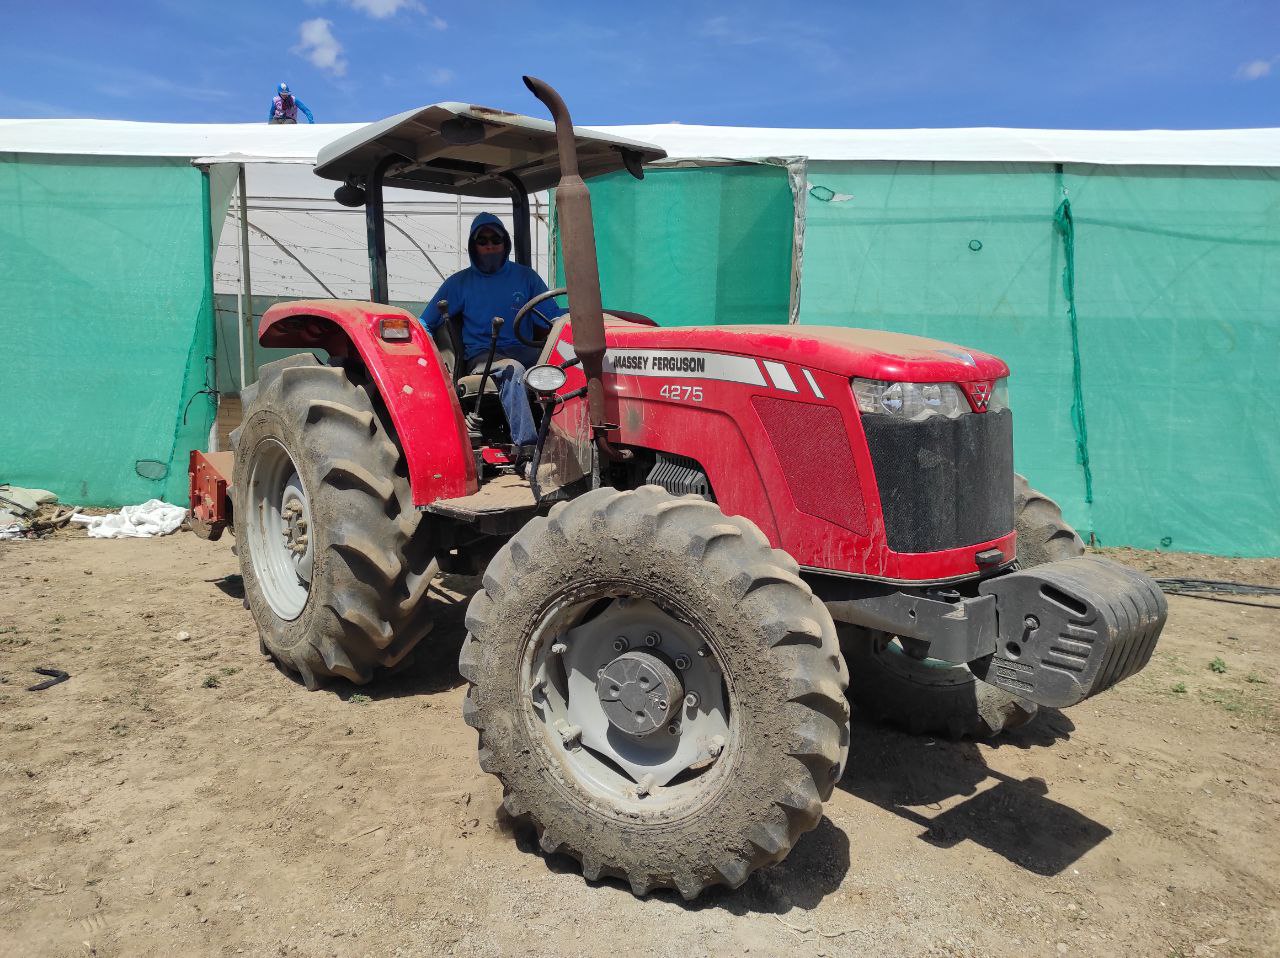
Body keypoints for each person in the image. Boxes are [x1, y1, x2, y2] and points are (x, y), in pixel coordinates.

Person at [421, 212, 563, 449]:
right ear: (473, 246)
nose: (490, 246)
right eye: (482, 241)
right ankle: (528, 448)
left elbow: (552, 316)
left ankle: (571, 440)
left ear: (504, 243)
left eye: (495, 240)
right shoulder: (459, 283)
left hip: (523, 348)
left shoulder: (526, 277)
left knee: (564, 363)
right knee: (513, 369)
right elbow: (426, 322)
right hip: (483, 355)